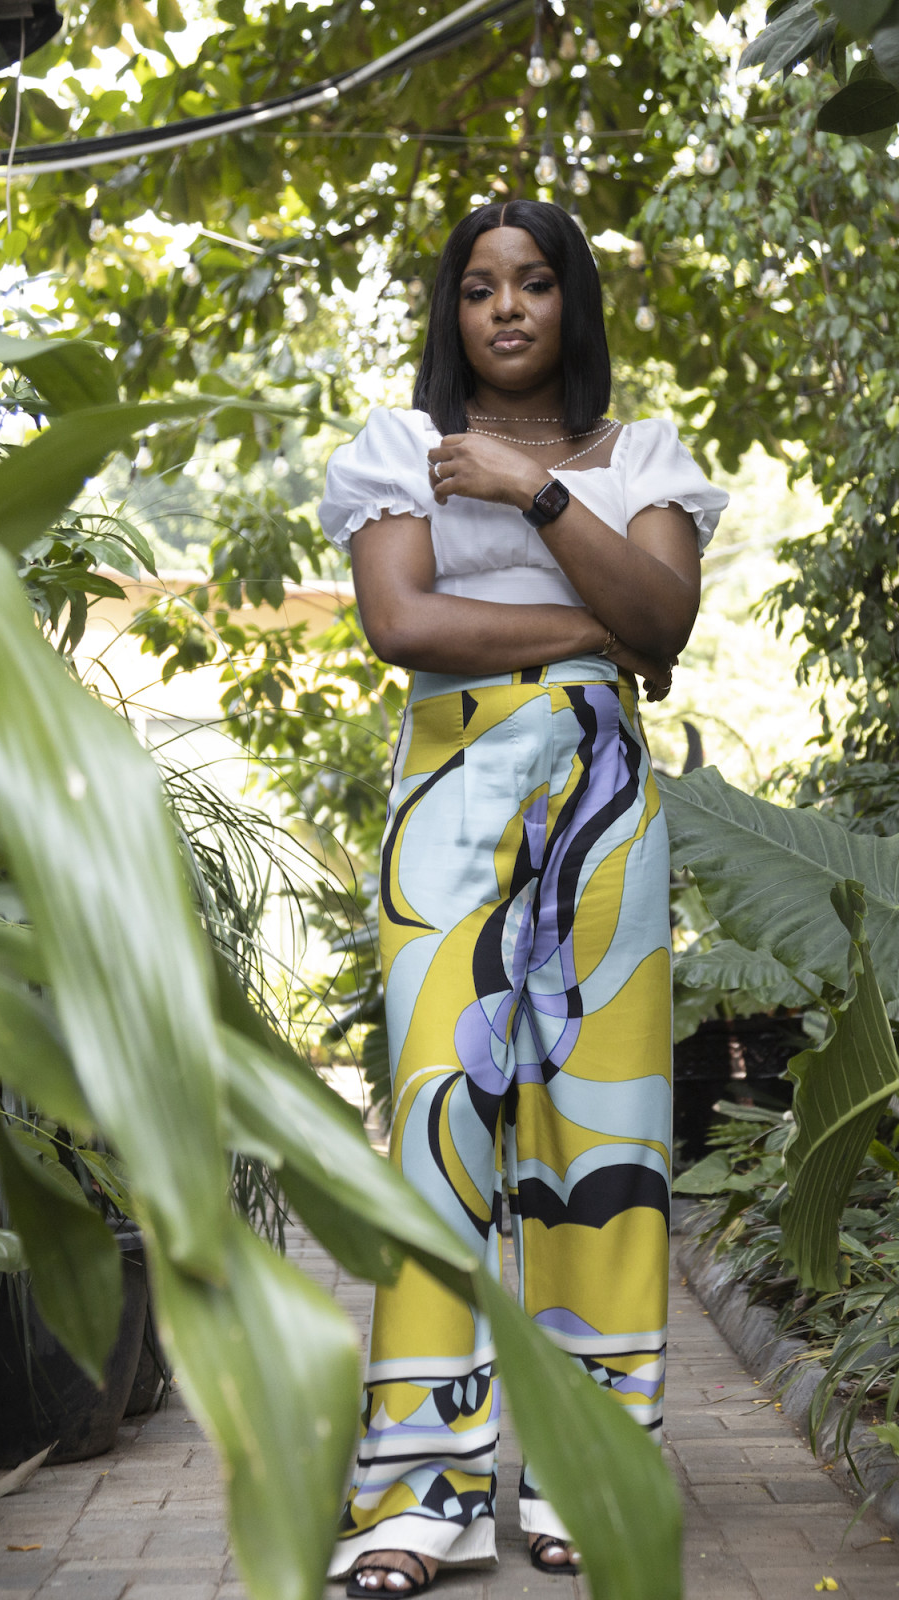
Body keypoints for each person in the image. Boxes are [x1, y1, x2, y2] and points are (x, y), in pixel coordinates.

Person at [315, 199, 727, 1596]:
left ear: (572, 305)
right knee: (441, 1113)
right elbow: (403, 624)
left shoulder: (646, 458)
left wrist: (533, 491)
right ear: (452, 309)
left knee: (599, 1128)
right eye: (479, 286)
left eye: (535, 283)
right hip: (451, 800)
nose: (505, 309)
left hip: (606, 814)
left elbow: (670, 621)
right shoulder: (395, 450)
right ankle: (416, 1493)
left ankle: (588, 1467)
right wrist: (592, 626)